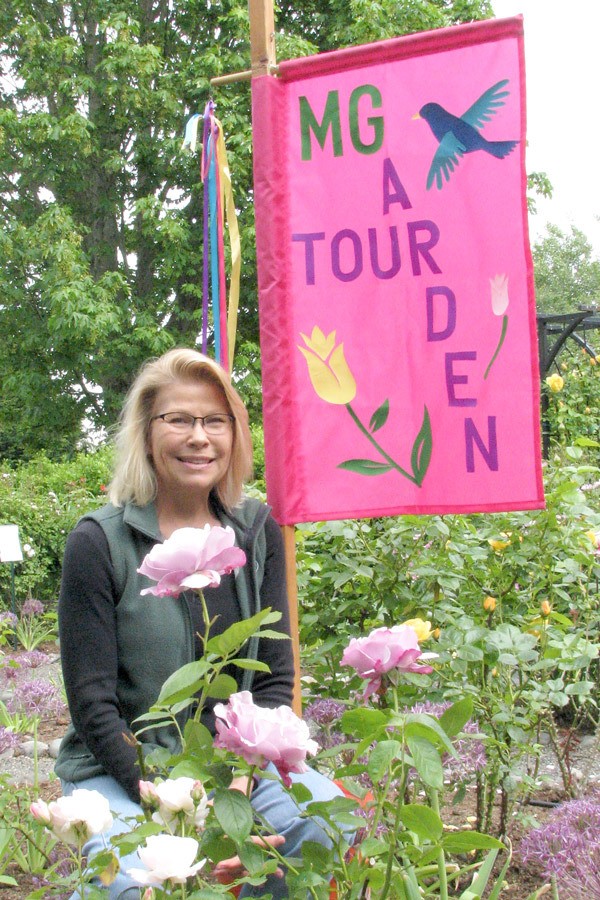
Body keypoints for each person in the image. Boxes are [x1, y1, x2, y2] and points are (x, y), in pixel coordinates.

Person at [55, 348, 347, 898]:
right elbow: (92, 705)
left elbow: (274, 681)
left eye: (216, 421)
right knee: (136, 884)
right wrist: (180, 810)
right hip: (120, 771)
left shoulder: (257, 529)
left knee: (322, 825)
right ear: (146, 434)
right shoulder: (98, 543)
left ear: (235, 435)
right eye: (180, 420)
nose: (199, 437)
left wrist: (237, 791)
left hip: (233, 770)